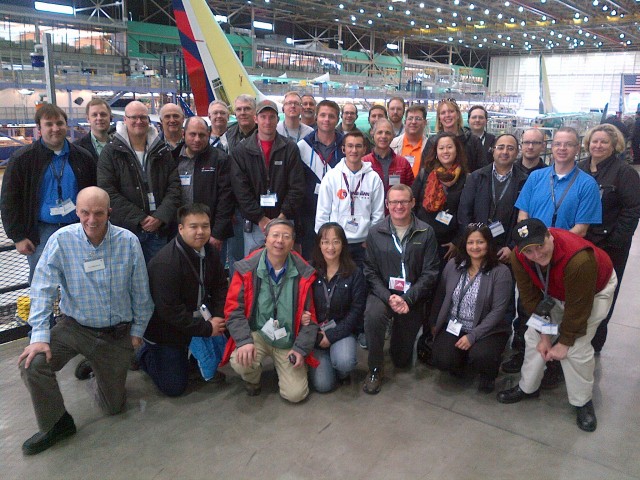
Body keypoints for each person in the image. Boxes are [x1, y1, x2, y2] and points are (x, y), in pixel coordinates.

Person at [18, 187, 154, 455]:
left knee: (114, 407)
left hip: (116, 333)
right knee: (32, 364)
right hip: (75, 328)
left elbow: (141, 292)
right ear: (77, 212)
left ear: (109, 213)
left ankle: (96, 368)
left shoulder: (128, 241)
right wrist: (40, 336)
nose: (92, 220)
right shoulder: (61, 240)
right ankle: (56, 423)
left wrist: (137, 331)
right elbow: (43, 287)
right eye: (85, 213)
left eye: (99, 213)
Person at [497, 218, 617, 433]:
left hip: (594, 291)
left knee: (576, 347)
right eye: (529, 251)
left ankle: (582, 401)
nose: (537, 255)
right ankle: (528, 388)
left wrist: (563, 342)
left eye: (540, 246)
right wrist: (545, 335)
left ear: (549, 236)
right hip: (552, 291)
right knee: (533, 338)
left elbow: (577, 312)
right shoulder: (518, 257)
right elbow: (531, 298)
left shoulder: (579, 259)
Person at [504, 127, 602, 379]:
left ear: (577, 149)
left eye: (568, 144)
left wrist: (553, 249)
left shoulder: (587, 184)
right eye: (558, 143)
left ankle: (556, 363)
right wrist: (529, 249)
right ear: (551, 146)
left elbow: (582, 227)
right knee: (528, 305)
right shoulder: (537, 178)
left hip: (560, 259)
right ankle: (522, 351)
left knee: (561, 308)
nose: (562, 148)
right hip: (532, 256)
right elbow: (522, 215)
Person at [221, 219, 319, 402]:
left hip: (288, 338)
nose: (279, 240)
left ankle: (287, 366)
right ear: (265, 239)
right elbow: (233, 310)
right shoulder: (246, 269)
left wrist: (300, 348)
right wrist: (243, 341)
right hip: (258, 333)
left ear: (293, 243)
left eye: (286, 236)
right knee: (240, 360)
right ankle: (252, 379)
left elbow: (311, 318)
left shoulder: (304, 273)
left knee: (296, 395)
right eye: (275, 235)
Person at [1, 103, 96, 283]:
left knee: (79, 280)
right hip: (42, 232)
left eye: (59, 123)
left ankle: (72, 312)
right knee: (41, 283)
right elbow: (9, 201)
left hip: (77, 228)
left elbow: (94, 192)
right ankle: (44, 313)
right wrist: (18, 236)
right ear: (39, 129)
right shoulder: (22, 159)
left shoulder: (82, 157)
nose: (55, 128)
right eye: (49, 124)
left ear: (66, 125)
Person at [141, 203, 228, 396]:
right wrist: (207, 329)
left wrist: (219, 317)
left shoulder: (210, 252)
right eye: (193, 226)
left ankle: (192, 358)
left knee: (227, 345)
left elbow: (221, 285)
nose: (200, 232)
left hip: (199, 317)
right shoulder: (166, 263)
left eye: (205, 226)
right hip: (167, 329)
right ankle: (144, 354)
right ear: (180, 228)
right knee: (174, 387)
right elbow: (169, 312)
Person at [362, 184, 439, 394]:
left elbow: (431, 272)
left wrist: (408, 299)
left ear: (412, 202)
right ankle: (375, 369)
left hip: (412, 296)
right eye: (394, 202)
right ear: (387, 205)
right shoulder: (375, 232)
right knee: (373, 316)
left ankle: (399, 341)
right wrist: (388, 298)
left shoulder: (426, 232)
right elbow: (369, 271)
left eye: (403, 201)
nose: (399, 206)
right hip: (383, 294)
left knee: (401, 360)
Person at [577, 124, 640, 352]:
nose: (598, 145)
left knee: (604, 293)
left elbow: (632, 210)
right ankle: (575, 336)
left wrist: (614, 241)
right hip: (580, 243)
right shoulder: (580, 168)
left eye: (604, 142)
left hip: (610, 247)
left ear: (614, 146)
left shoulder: (625, 173)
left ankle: (595, 342)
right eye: (595, 141)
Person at [430, 224, 512, 393]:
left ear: (488, 244)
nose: (475, 247)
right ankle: (461, 362)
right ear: (464, 244)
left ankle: (488, 374)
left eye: (480, 242)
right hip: (456, 325)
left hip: (488, 330)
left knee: (482, 355)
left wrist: (473, 336)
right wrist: (434, 322)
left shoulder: (501, 271)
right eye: (470, 242)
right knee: (441, 358)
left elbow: (498, 311)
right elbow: (440, 294)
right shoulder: (453, 264)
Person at [97, 100, 182, 263]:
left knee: (158, 278)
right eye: (133, 117)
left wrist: (160, 217)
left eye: (143, 117)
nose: (139, 121)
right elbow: (107, 191)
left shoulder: (162, 150)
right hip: (127, 231)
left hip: (158, 230)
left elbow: (174, 186)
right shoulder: (111, 152)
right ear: (125, 120)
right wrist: (140, 219)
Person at [230, 99, 305, 256]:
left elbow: (297, 186)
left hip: (284, 221)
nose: (267, 121)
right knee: (254, 267)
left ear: (278, 120)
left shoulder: (290, 148)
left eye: (272, 117)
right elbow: (241, 190)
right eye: (263, 117)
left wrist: (282, 217)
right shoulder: (241, 151)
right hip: (256, 224)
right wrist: (260, 218)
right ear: (255, 119)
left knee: (284, 266)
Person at [309, 223, 366, 392]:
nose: (330, 247)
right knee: (323, 386)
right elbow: (302, 306)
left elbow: (356, 311)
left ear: (343, 244)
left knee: (345, 362)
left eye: (336, 242)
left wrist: (332, 335)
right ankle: (324, 361)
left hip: (342, 331)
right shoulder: (310, 270)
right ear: (319, 244)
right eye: (325, 242)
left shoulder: (355, 273)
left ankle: (342, 371)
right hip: (315, 334)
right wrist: (317, 335)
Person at [315, 130, 384, 267]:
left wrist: (370, 240)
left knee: (361, 284)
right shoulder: (331, 176)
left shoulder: (374, 178)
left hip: (363, 245)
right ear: (343, 149)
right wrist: (326, 242)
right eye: (350, 146)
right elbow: (322, 213)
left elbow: (378, 214)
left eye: (358, 146)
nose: (354, 150)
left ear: (365, 149)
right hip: (336, 244)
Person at [458, 134, 528, 262]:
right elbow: (464, 211)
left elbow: (525, 219)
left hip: (506, 249)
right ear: (493, 150)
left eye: (510, 148)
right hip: (476, 246)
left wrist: (512, 246)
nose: (505, 152)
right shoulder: (476, 177)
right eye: (500, 147)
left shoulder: (524, 181)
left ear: (517, 152)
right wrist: (473, 241)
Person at [173, 116, 234, 252]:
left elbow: (226, 199)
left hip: (209, 233)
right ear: (184, 134)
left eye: (202, 135)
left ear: (209, 134)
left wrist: (217, 233)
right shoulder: (173, 158)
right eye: (192, 134)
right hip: (180, 232)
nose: (197, 139)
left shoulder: (220, 159)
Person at [412, 132, 469, 267]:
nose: (445, 151)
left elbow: (468, 213)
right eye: (441, 148)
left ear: (457, 150)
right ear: (436, 152)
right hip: (423, 238)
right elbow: (412, 203)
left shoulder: (467, 178)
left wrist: (458, 242)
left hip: (450, 243)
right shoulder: (425, 174)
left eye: (449, 147)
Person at [297, 100, 344, 258]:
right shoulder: (302, 146)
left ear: (338, 119)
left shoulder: (346, 146)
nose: (326, 119)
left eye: (331, 116)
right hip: (309, 214)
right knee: (313, 259)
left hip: (339, 212)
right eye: (323, 115)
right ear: (316, 118)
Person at [421, 99, 486, 173]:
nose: (447, 115)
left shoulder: (473, 141)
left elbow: (482, 170)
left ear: (458, 115)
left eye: (451, 111)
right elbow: (425, 169)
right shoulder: (432, 142)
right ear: (439, 118)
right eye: (443, 113)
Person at [363, 118, 414, 204]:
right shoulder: (364, 163)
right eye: (380, 132)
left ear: (393, 135)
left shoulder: (403, 163)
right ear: (373, 134)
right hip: (370, 212)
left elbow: (411, 192)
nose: (383, 136)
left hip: (396, 213)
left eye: (388, 133)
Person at [390, 104, 429, 177]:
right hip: (398, 187)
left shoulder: (430, 146)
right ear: (405, 122)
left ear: (425, 123)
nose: (413, 122)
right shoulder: (393, 144)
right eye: (410, 118)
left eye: (418, 118)